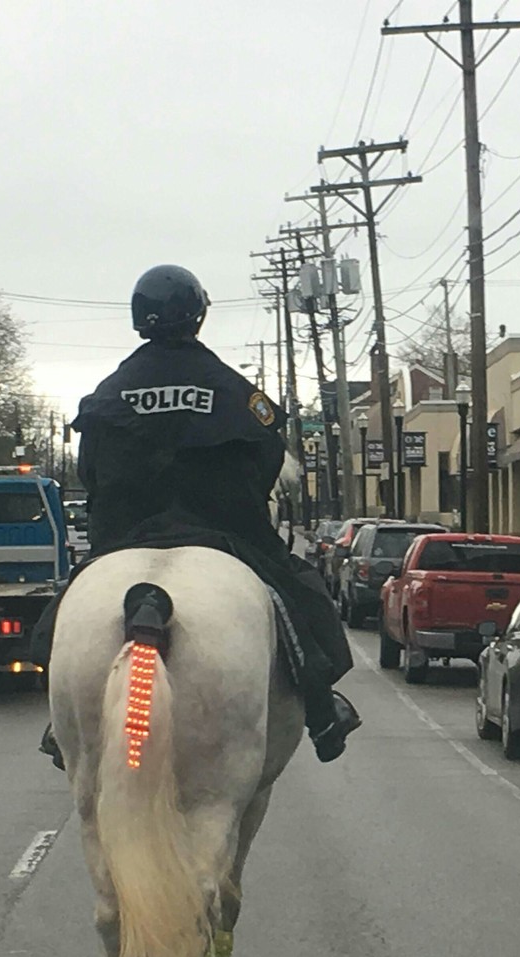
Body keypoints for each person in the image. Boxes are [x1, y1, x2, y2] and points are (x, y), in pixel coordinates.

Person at [39, 264, 360, 764]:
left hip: (128, 534)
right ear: (198, 316)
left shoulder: (107, 395)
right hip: (224, 531)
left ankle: (61, 723)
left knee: (61, 617)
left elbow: (92, 474)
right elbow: (266, 458)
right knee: (299, 596)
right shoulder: (231, 390)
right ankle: (322, 708)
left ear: (138, 319)